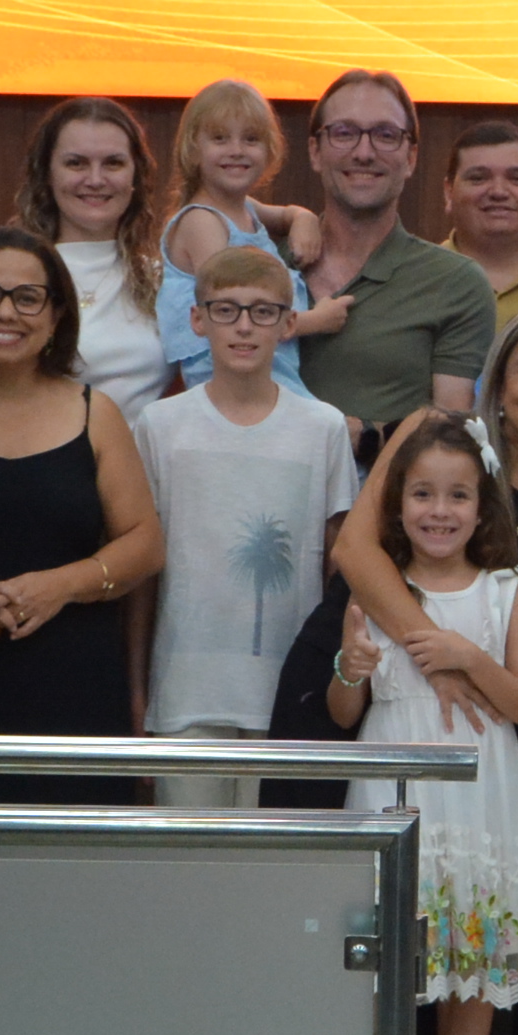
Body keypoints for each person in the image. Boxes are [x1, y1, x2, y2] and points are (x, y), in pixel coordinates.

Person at [336, 306, 518, 1035]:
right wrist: (438, 656)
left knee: (468, 910)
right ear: (498, 378)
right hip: (375, 669)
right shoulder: (436, 433)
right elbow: (354, 548)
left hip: (482, 728)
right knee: (370, 924)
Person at [338, 411, 518, 1035]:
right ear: (397, 503)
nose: (440, 511)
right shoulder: (379, 590)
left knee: (471, 964)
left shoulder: (504, 591)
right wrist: (350, 666)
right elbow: (343, 710)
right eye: (423, 494)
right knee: (385, 962)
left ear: (483, 504)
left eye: (458, 495)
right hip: (393, 783)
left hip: (479, 793)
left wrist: (468, 656)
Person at [139, 244, 362, 808]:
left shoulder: (323, 428)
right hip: (185, 695)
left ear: (288, 324)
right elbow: (146, 567)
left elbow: (335, 561)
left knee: (274, 854)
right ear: (197, 320)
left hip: (285, 693)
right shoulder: (160, 426)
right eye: (226, 310)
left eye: (263, 311)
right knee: (190, 853)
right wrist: (138, 690)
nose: (244, 326)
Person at [0, 226, 165, 801]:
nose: (6, 313)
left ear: (56, 315)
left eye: (28, 297)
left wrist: (60, 587)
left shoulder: (96, 413)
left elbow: (145, 543)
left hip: (78, 686)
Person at [299, 71, 496, 433]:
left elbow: (449, 436)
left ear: (411, 158)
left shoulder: (455, 284)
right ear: (315, 151)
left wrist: (358, 437)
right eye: (344, 133)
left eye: (385, 135)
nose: (364, 153)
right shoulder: (260, 259)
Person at [156, 79, 339, 393]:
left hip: (267, 370)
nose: (236, 151)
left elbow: (286, 215)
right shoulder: (203, 222)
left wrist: (304, 218)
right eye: (220, 138)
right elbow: (236, 310)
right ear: (193, 149)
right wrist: (318, 319)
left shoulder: (245, 208)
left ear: (269, 150)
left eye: (251, 139)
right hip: (228, 380)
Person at [17, 96, 171, 427]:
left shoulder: (162, 279)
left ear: (135, 176)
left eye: (113, 163)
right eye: (76, 163)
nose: (96, 179)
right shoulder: (16, 275)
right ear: (47, 173)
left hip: (141, 459)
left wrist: (284, 218)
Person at [440, 120, 518, 327]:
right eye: (478, 178)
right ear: (449, 193)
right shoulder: (412, 281)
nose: (498, 192)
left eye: (517, 179)